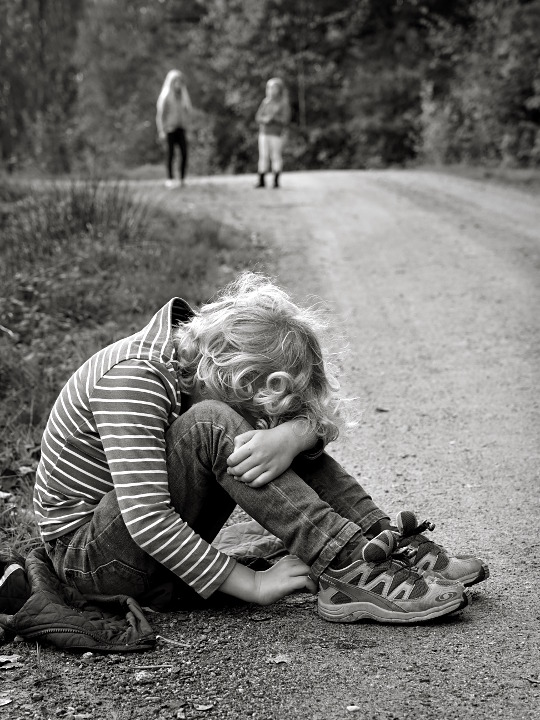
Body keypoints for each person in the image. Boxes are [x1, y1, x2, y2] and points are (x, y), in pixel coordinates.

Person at [34, 273, 488, 625]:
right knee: (212, 423)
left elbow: (313, 424)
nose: (261, 423)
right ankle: (347, 566)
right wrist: (252, 583)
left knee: (251, 433)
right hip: (92, 562)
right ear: (249, 380)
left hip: (136, 548)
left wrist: (289, 437)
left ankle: (377, 541)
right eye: (264, 409)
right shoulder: (134, 379)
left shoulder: (202, 357)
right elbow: (148, 521)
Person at [156, 69, 193, 188]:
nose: (178, 83)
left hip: (181, 128)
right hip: (169, 129)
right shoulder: (166, 96)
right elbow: (160, 115)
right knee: (170, 154)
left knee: (184, 153)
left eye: (180, 80)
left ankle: (182, 179)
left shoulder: (183, 96)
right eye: (176, 80)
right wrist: (161, 130)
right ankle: (170, 178)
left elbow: (188, 114)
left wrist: (189, 129)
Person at [255, 78, 290, 189]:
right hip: (264, 133)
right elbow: (258, 117)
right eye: (269, 88)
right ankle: (261, 180)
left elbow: (285, 120)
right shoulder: (265, 102)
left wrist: (275, 119)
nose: (271, 90)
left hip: (276, 134)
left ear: (279, 89)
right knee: (263, 156)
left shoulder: (283, 104)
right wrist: (266, 120)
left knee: (276, 156)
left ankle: (276, 180)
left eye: (274, 88)